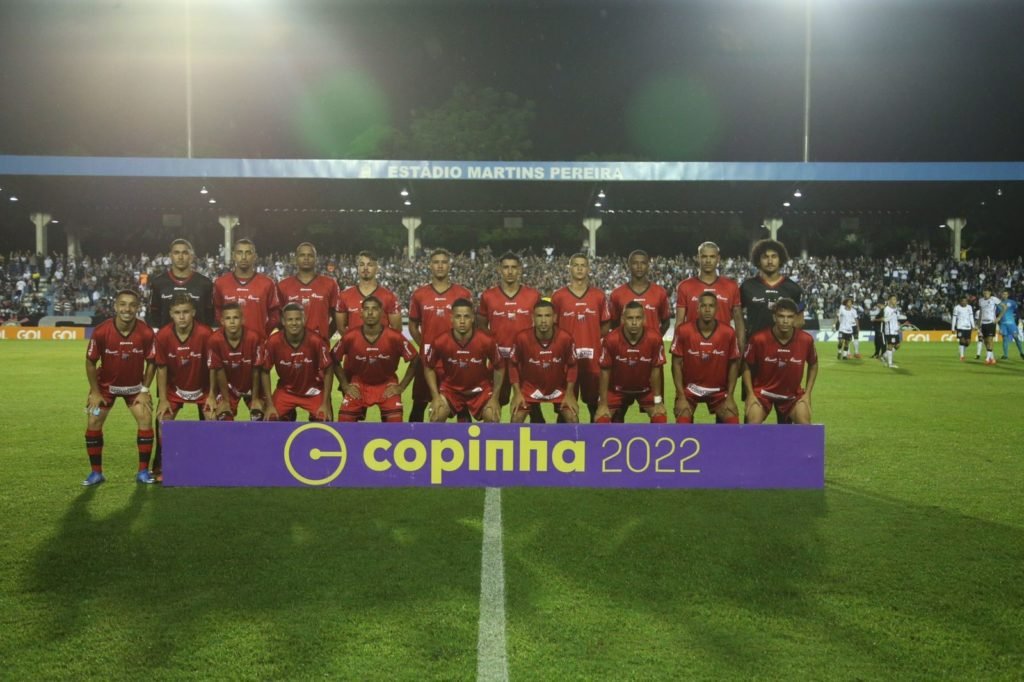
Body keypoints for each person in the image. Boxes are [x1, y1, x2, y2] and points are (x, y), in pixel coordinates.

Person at [81, 289, 157, 486]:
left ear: (137, 307)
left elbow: (152, 362)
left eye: (132, 305)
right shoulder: (101, 331)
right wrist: (95, 392)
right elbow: (90, 361)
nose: (127, 309)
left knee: (146, 420)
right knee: (93, 421)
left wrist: (145, 390)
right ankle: (96, 473)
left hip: (134, 388)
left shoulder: (146, 332)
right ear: (115, 306)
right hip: (105, 388)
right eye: (123, 304)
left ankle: (142, 472)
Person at [152, 293, 215, 482]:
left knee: (214, 421)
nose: (182, 316)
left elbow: (213, 367)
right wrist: (163, 400)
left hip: (203, 389)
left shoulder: (205, 334)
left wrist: (212, 395)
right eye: (177, 312)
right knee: (162, 420)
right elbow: (161, 369)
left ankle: (212, 465)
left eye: (186, 312)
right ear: (171, 314)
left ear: (193, 312)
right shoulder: (163, 335)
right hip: (175, 390)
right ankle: (160, 467)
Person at [407, 249, 473, 422]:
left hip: (456, 358)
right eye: (436, 262)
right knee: (419, 404)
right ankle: (413, 443)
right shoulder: (419, 294)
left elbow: (470, 325)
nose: (440, 266)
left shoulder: (463, 294)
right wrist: (425, 345)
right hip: (428, 359)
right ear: (430, 266)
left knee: (462, 405)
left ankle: (465, 446)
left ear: (449, 265)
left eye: (444, 262)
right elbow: (413, 325)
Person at [477, 252, 543, 420]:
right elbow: (481, 324)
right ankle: (493, 443)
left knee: (531, 410)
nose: (510, 271)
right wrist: (492, 345)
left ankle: (537, 443)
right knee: (492, 408)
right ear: (500, 270)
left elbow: (541, 325)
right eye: (506, 267)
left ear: (520, 270)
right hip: (498, 363)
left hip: (526, 363)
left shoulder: (533, 295)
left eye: (514, 267)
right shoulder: (488, 296)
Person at [332, 296, 418, 422]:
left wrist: (401, 387)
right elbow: (333, 358)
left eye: (374, 309)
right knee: (344, 422)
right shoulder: (350, 337)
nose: (370, 312)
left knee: (396, 425)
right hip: (359, 384)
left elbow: (415, 359)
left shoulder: (394, 337)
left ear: (382, 313)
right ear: (361, 313)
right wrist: (345, 385)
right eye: (366, 309)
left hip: (387, 384)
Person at [550, 252, 611, 422]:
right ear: (570, 269)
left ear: (588, 269)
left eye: (582, 265)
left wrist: (591, 339)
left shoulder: (598, 296)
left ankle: (594, 443)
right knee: (565, 408)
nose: (579, 268)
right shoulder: (559, 296)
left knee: (594, 406)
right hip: (566, 361)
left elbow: (605, 325)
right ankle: (562, 444)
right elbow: (553, 327)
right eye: (575, 265)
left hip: (592, 360)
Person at [423, 298, 503, 423]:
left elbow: (500, 367)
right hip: (451, 390)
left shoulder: (487, 341)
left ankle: (481, 443)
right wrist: (435, 396)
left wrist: (495, 398)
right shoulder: (440, 341)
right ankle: (444, 442)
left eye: (466, 317)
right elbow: (428, 367)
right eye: (458, 317)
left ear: (472, 318)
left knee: (493, 417)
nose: (462, 321)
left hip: (480, 390)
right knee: (436, 415)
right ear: (451, 318)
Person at [743, 297, 817, 425]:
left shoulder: (806, 340)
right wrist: (750, 394)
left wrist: (807, 393)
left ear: (794, 318)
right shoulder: (759, 339)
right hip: (763, 393)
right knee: (752, 423)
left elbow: (813, 364)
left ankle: (794, 445)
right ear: (774, 317)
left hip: (792, 396)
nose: (785, 321)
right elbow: (746, 365)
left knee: (805, 424)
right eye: (781, 316)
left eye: (789, 317)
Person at [670, 292, 741, 424]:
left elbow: (733, 365)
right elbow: (676, 364)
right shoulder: (684, 331)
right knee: (682, 422)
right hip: (690, 391)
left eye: (711, 306)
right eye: (703, 306)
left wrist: (730, 396)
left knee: (733, 423)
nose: (707, 309)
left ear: (717, 309)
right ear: (697, 308)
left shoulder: (728, 332)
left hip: (718, 392)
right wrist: (680, 396)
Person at [594, 301, 668, 423]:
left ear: (644, 319)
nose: (634, 322)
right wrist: (602, 403)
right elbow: (604, 371)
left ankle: (653, 442)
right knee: (601, 419)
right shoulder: (611, 339)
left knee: (660, 417)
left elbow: (656, 371)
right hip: (616, 390)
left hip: (645, 389)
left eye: (638, 318)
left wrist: (658, 401)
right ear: (622, 319)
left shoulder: (654, 338)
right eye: (630, 318)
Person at [507, 300, 579, 423]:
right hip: (529, 390)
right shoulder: (521, 338)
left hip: (558, 390)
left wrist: (570, 393)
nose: (543, 320)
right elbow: (512, 365)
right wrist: (517, 393)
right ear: (533, 317)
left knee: (572, 418)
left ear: (555, 318)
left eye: (547, 316)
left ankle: (565, 440)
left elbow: (573, 365)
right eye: (539, 316)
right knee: (516, 418)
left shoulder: (565, 338)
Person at [261, 303, 334, 421]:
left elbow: (328, 369)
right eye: (290, 320)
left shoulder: (316, 341)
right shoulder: (273, 342)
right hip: (286, 391)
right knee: (271, 419)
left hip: (313, 390)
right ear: (283, 322)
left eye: (298, 319)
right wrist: (269, 405)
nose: (294, 323)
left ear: (304, 320)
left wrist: (325, 404)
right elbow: (264, 371)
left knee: (324, 419)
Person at [674, 241, 745, 349]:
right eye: (704, 256)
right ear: (697, 258)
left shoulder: (731, 286)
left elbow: (738, 322)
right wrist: (677, 349)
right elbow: (679, 322)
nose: (708, 260)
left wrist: (741, 348)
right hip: (693, 349)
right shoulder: (684, 286)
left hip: (723, 349)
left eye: (712, 256)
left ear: (718, 258)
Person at [206, 302, 265, 420]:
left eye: (236, 317)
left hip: (251, 386)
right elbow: (218, 371)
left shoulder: (254, 338)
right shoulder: (214, 340)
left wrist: (254, 399)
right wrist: (225, 400)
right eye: (228, 318)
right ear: (222, 321)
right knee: (218, 417)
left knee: (260, 416)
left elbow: (256, 370)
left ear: (243, 320)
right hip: (229, 388)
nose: (232, 321)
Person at [213, 238, 280, 340]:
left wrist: (264, 332)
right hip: (229, 343)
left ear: (255, 256)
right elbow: (217, 311)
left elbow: (274, 315)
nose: (244, 257)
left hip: (258, 343)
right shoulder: (220, 283)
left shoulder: (267, 283)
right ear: (234, 256)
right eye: (240, 253)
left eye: (248, 253)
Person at [276, 242, 343, 341]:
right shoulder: (282, 285)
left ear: (316, 259)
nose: (306, 258)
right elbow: (278, 319)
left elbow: (337, 318)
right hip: (291, 346)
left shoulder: (330, 284)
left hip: (319, 346)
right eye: (302, 255)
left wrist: (325, 336)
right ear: (296, 259)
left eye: (310, 255)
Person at [740, 238, 804, 341]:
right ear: (758, 261)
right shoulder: (747, 286)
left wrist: (783, 342)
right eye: (765, 257)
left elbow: (799, 321)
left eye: (774, 256)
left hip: (781, 350)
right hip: (754, 348)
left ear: (780, 260)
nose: (770, 261)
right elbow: (737, 315)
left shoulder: (793, 288)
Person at [146, 238, 214, 328]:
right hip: (167, 340)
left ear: (191, 256)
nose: (180, 257)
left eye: (185, 253)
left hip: (198, 340)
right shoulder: (158, 283)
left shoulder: (205, 283)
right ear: (170, 256)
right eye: (176, 253)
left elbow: (210, 317)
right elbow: (152, 317)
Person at [609, 249, 672, 336]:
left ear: (648, 266)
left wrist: (656, 338)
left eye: (643, 263)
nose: (639, 266)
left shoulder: (660, 292)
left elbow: (666, 321)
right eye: (635, 263)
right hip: (625, 348)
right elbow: (613, 323)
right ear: (629, 266)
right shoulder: (617, 294)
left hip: (652, 348)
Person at [337, 250, 402, 332]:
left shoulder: (389, 297)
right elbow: (341, 328)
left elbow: (396, 330)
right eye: (361, 264)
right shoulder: (344, 296)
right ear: (357, 268)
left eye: (370, 265)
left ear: (377, 269)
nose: (365, 268)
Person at [996, 288, 1024, 360]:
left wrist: (1017, 320)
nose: (1004, 295)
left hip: (1011, 323)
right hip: (1003, 324)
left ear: (1008, 295)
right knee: (1005, 338)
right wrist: (999, 325)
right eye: (1003, 294)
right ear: (1001, 295)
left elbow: (1017, 311)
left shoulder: (1012, 302)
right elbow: (997, 315)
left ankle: (1022, 353)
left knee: (1016, 337)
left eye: (1005, 294)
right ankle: (1005, 355)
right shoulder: (998, 304)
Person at [976, 287, 1001, 364]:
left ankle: (987, 359)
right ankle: (992, 358)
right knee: (986, 341)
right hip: (983, 323)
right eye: (984, 292)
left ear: (990, 293)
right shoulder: (981, 300)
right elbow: (980, 313)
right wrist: (978, 323)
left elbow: (1004, 307)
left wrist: (999, 317)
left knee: (990, 340)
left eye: (987, 292)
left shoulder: (994, 299)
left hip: (991, 322)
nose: (985, 293)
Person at [881, 294, 905, 369]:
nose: (895, 301)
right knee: (890, 345)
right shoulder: (887, 309)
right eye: (893, 299)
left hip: (895, 330)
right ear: (889, 300)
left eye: (895, 299)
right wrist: (892, 314)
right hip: (889, 330)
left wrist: (898, 326)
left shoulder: (896, 309)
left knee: (897, 345)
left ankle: (884, 356)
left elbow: (896, 319)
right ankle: (890, 364)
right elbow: (885, 319)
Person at [951, 295, 976, 362]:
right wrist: (953, 328)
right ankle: (962, 356)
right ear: (960, 302)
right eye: (963, 301)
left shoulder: (969, 307)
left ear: (967, 302)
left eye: (965, 301)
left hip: (968, 327)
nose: (964, 302)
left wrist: (973, 326)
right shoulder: (957, 308)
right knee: (962, 341)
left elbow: (971, 317)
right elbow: (954, 318)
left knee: (967, 342)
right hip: (960, 327)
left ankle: (961, 351)